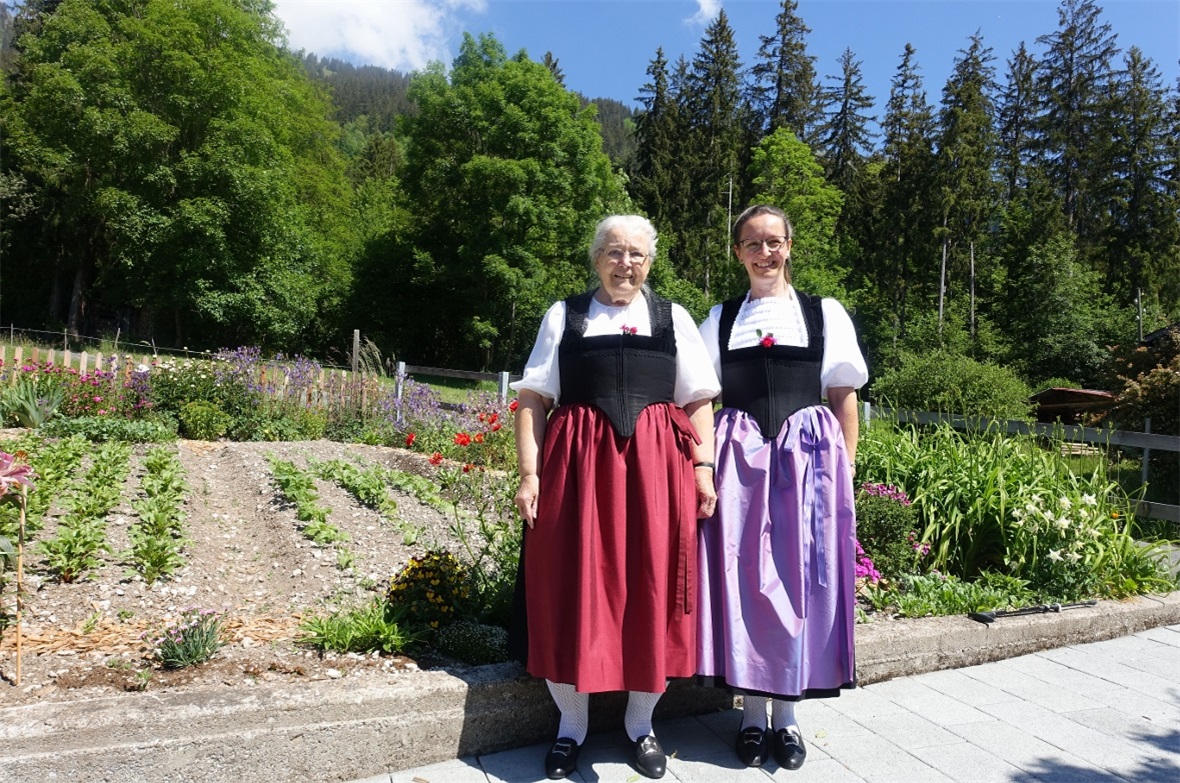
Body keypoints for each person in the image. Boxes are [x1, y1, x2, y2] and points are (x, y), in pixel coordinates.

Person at [511, 214, 720, 780]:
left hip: (657, 474)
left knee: (655, 587)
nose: (625, 264)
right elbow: (533, 399)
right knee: (568, 585)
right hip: (577, 473)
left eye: (636, 254)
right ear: (596, 258)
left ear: (650, 262)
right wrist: (529, 474)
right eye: (613, 252)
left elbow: (698, 400)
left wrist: (703, 469)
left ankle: (640, 725)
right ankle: (571, 726)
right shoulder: (565, 315)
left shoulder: (674, 318)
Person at [696, 204, 867, 770]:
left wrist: (844, 468)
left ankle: (787, 718)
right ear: (738, 252)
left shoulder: (823, 314)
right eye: (752, 243)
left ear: (789, 246)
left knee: (799, 579)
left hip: (807, 462)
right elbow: (699, 397)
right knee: (744, 578)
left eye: (773, 241)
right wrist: (703, 465)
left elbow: (843, 396)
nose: (764, 252)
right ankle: (750, 716)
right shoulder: (720, 318)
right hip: (739, 461)